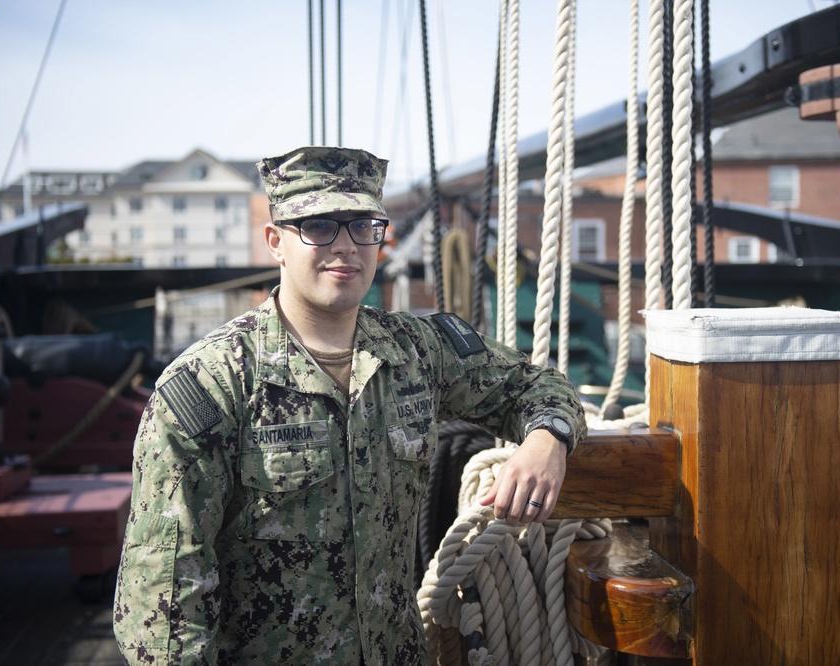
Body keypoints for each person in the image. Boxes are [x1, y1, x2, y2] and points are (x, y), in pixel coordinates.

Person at [112, 146, 587, 664]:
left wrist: (547, 440)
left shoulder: (418, 352)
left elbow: (538, 387)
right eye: (319, 226)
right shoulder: (213, 384)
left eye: (363, 226)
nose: (346, 247)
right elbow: (162, 606)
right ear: (276, 242)